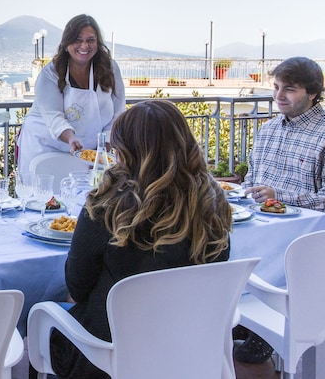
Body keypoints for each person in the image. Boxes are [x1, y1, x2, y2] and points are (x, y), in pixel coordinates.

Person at [50, 100, 232, 379]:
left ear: (127, 150)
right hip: (189, 346)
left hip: (111, 353)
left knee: (45, 318)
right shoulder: (212, 203)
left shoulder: (107, 207)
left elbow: (77, 286)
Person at [235, 56, 325, 365]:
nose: (279, 96)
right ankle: (239, 314)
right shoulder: (268, 129)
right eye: (276, 87)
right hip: (260, 225)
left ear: (313, 92)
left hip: (305, 240)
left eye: (289, 89)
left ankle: (264, 327)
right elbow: (251, 179)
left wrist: (281, 196)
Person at [16, 14, 125, 174]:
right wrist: (71, 138)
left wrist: (104, 147)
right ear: (66, 43)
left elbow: (118, 112)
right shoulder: (50, 73)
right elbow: (54, 116)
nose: (84, 46)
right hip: (46, 146)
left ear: (97, 42)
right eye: (78, 40)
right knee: (46, 196)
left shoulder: (110, 68)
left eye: (90, 40)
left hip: (87, 152)